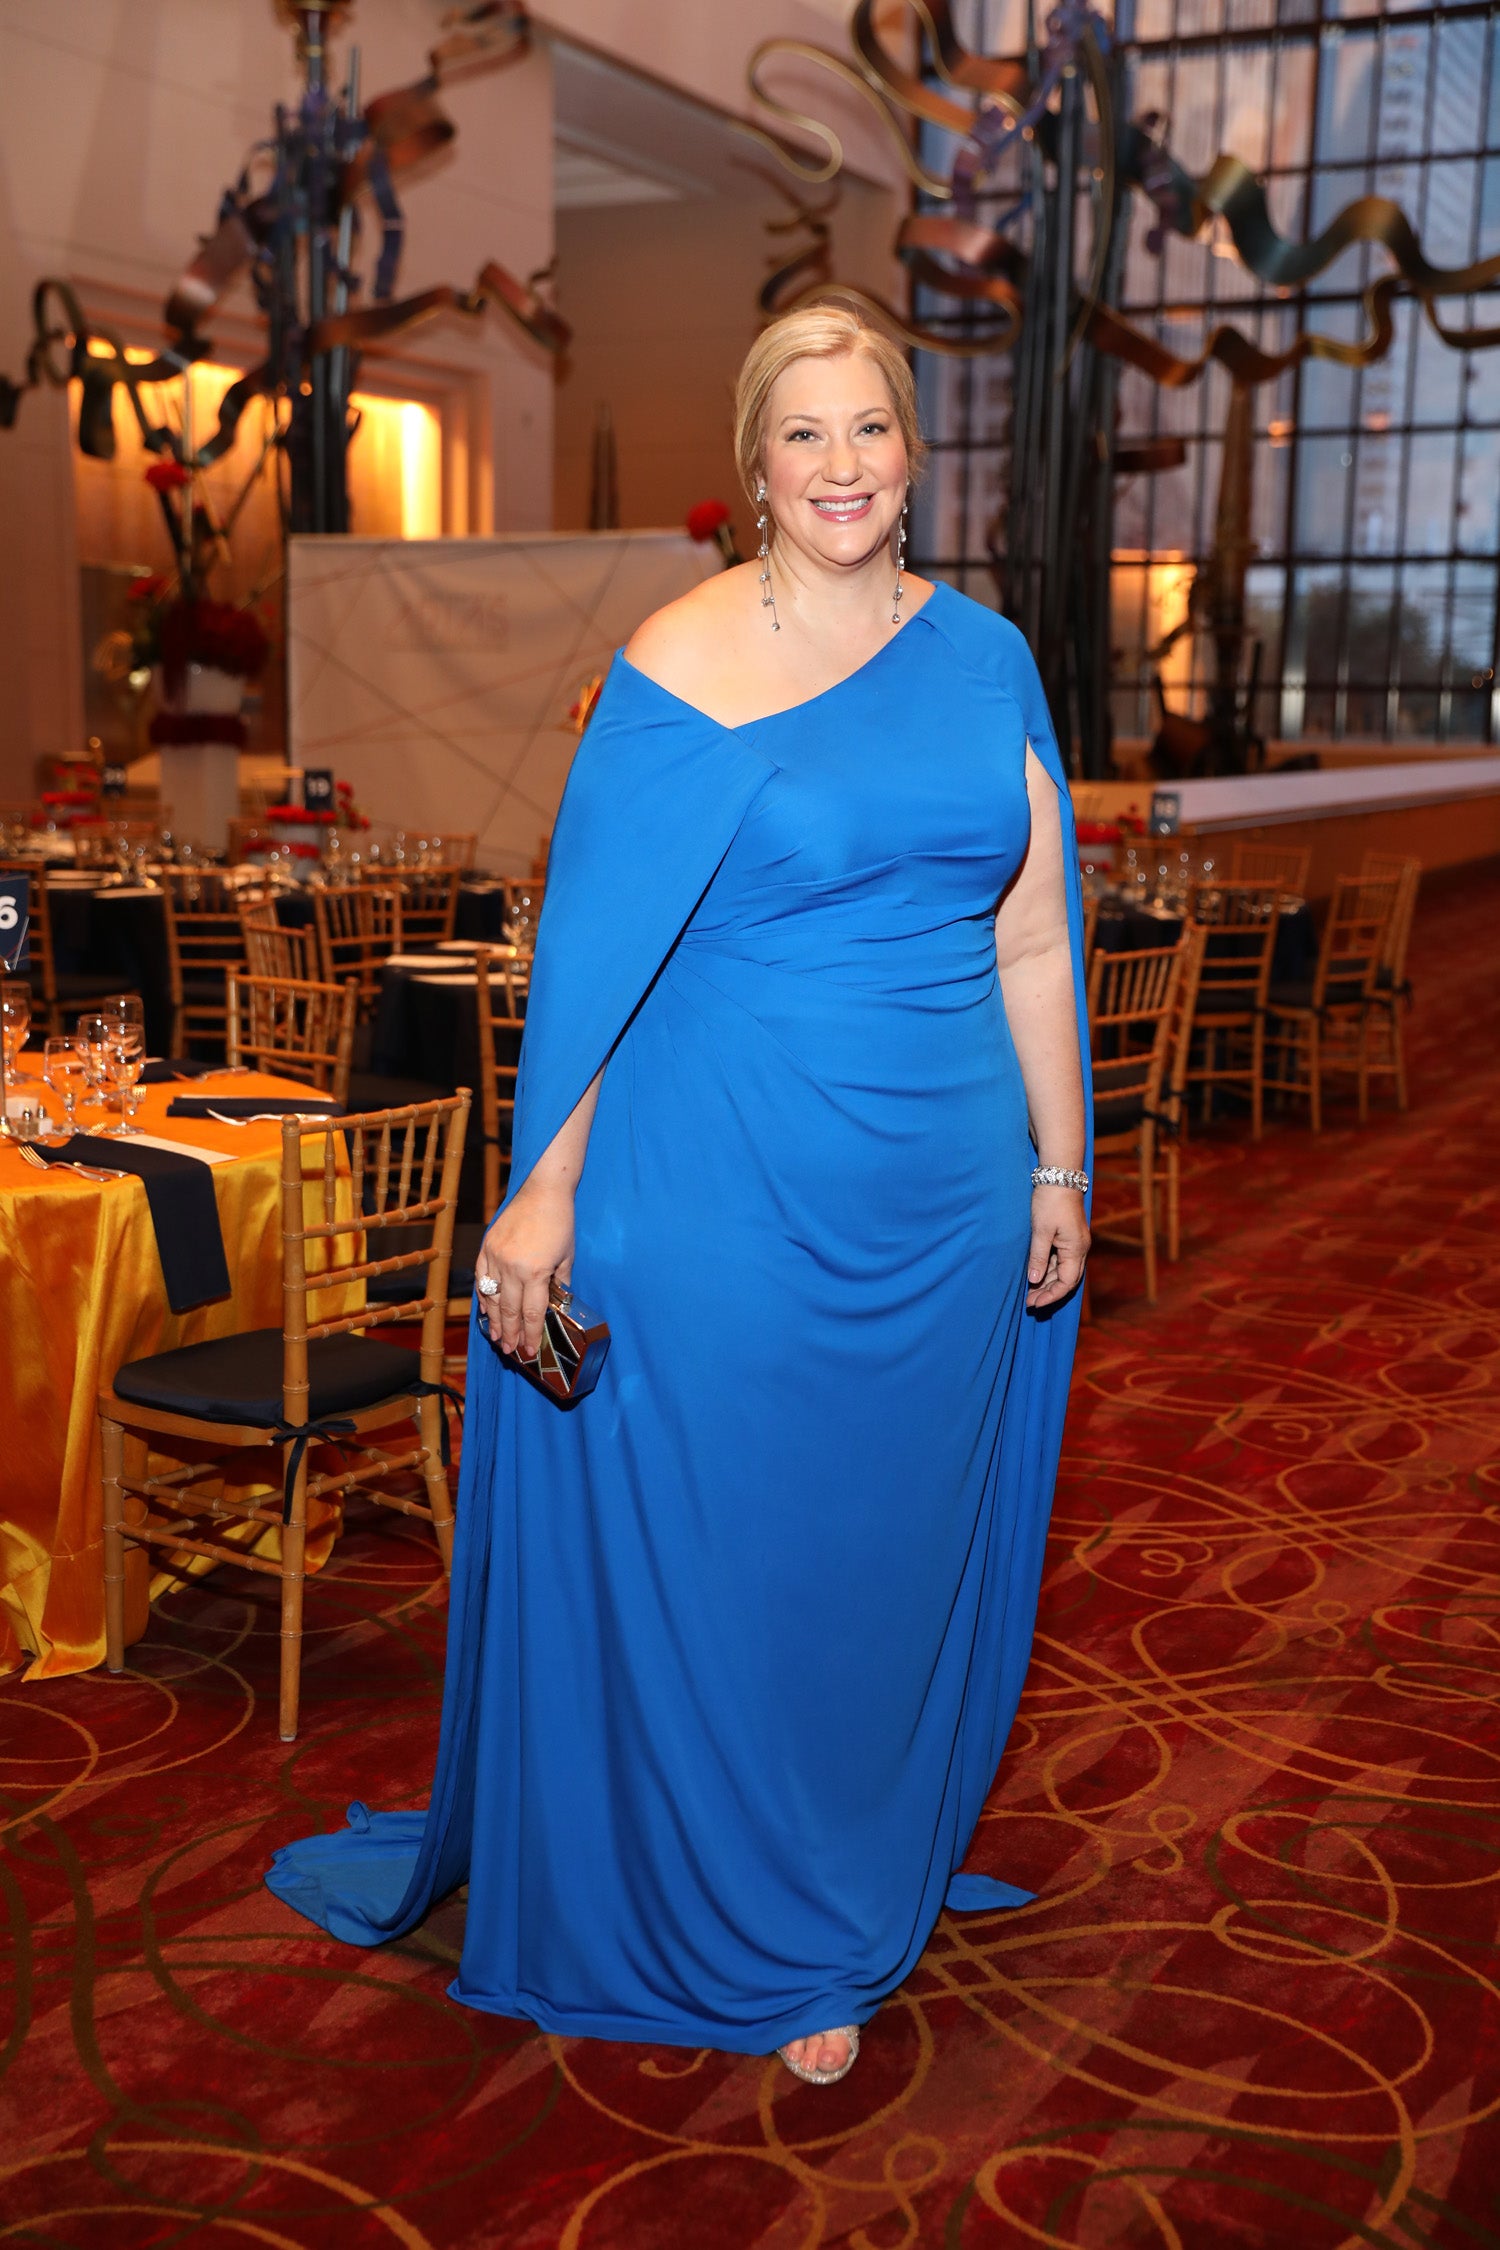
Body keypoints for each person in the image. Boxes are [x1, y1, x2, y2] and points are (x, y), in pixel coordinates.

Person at [267, 301, 1091, 2088]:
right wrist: (540, 1199)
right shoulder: (680, 662)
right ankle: (778, 1921)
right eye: (805, 435)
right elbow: (588, 964)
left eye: (870, 426)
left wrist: (1061, 1157)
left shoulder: (991, 659)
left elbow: (1031, 929)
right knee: (753, 1558)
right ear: (756, 464)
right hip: (727, 1192)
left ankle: (862, 1845)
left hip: (943, 1213)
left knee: (881, 1563)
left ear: (915, 445)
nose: (845, 464)